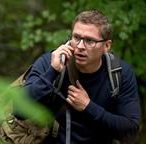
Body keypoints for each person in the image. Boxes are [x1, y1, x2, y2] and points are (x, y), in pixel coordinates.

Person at [24, 10, 140, 144]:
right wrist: (53, 71)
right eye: (76, 38)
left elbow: (130, 131)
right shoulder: (50, 63)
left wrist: (88, 107)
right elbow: (18, 110)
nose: (80, 46)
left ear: (106, 46)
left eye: (89, 41)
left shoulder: (119, 73)